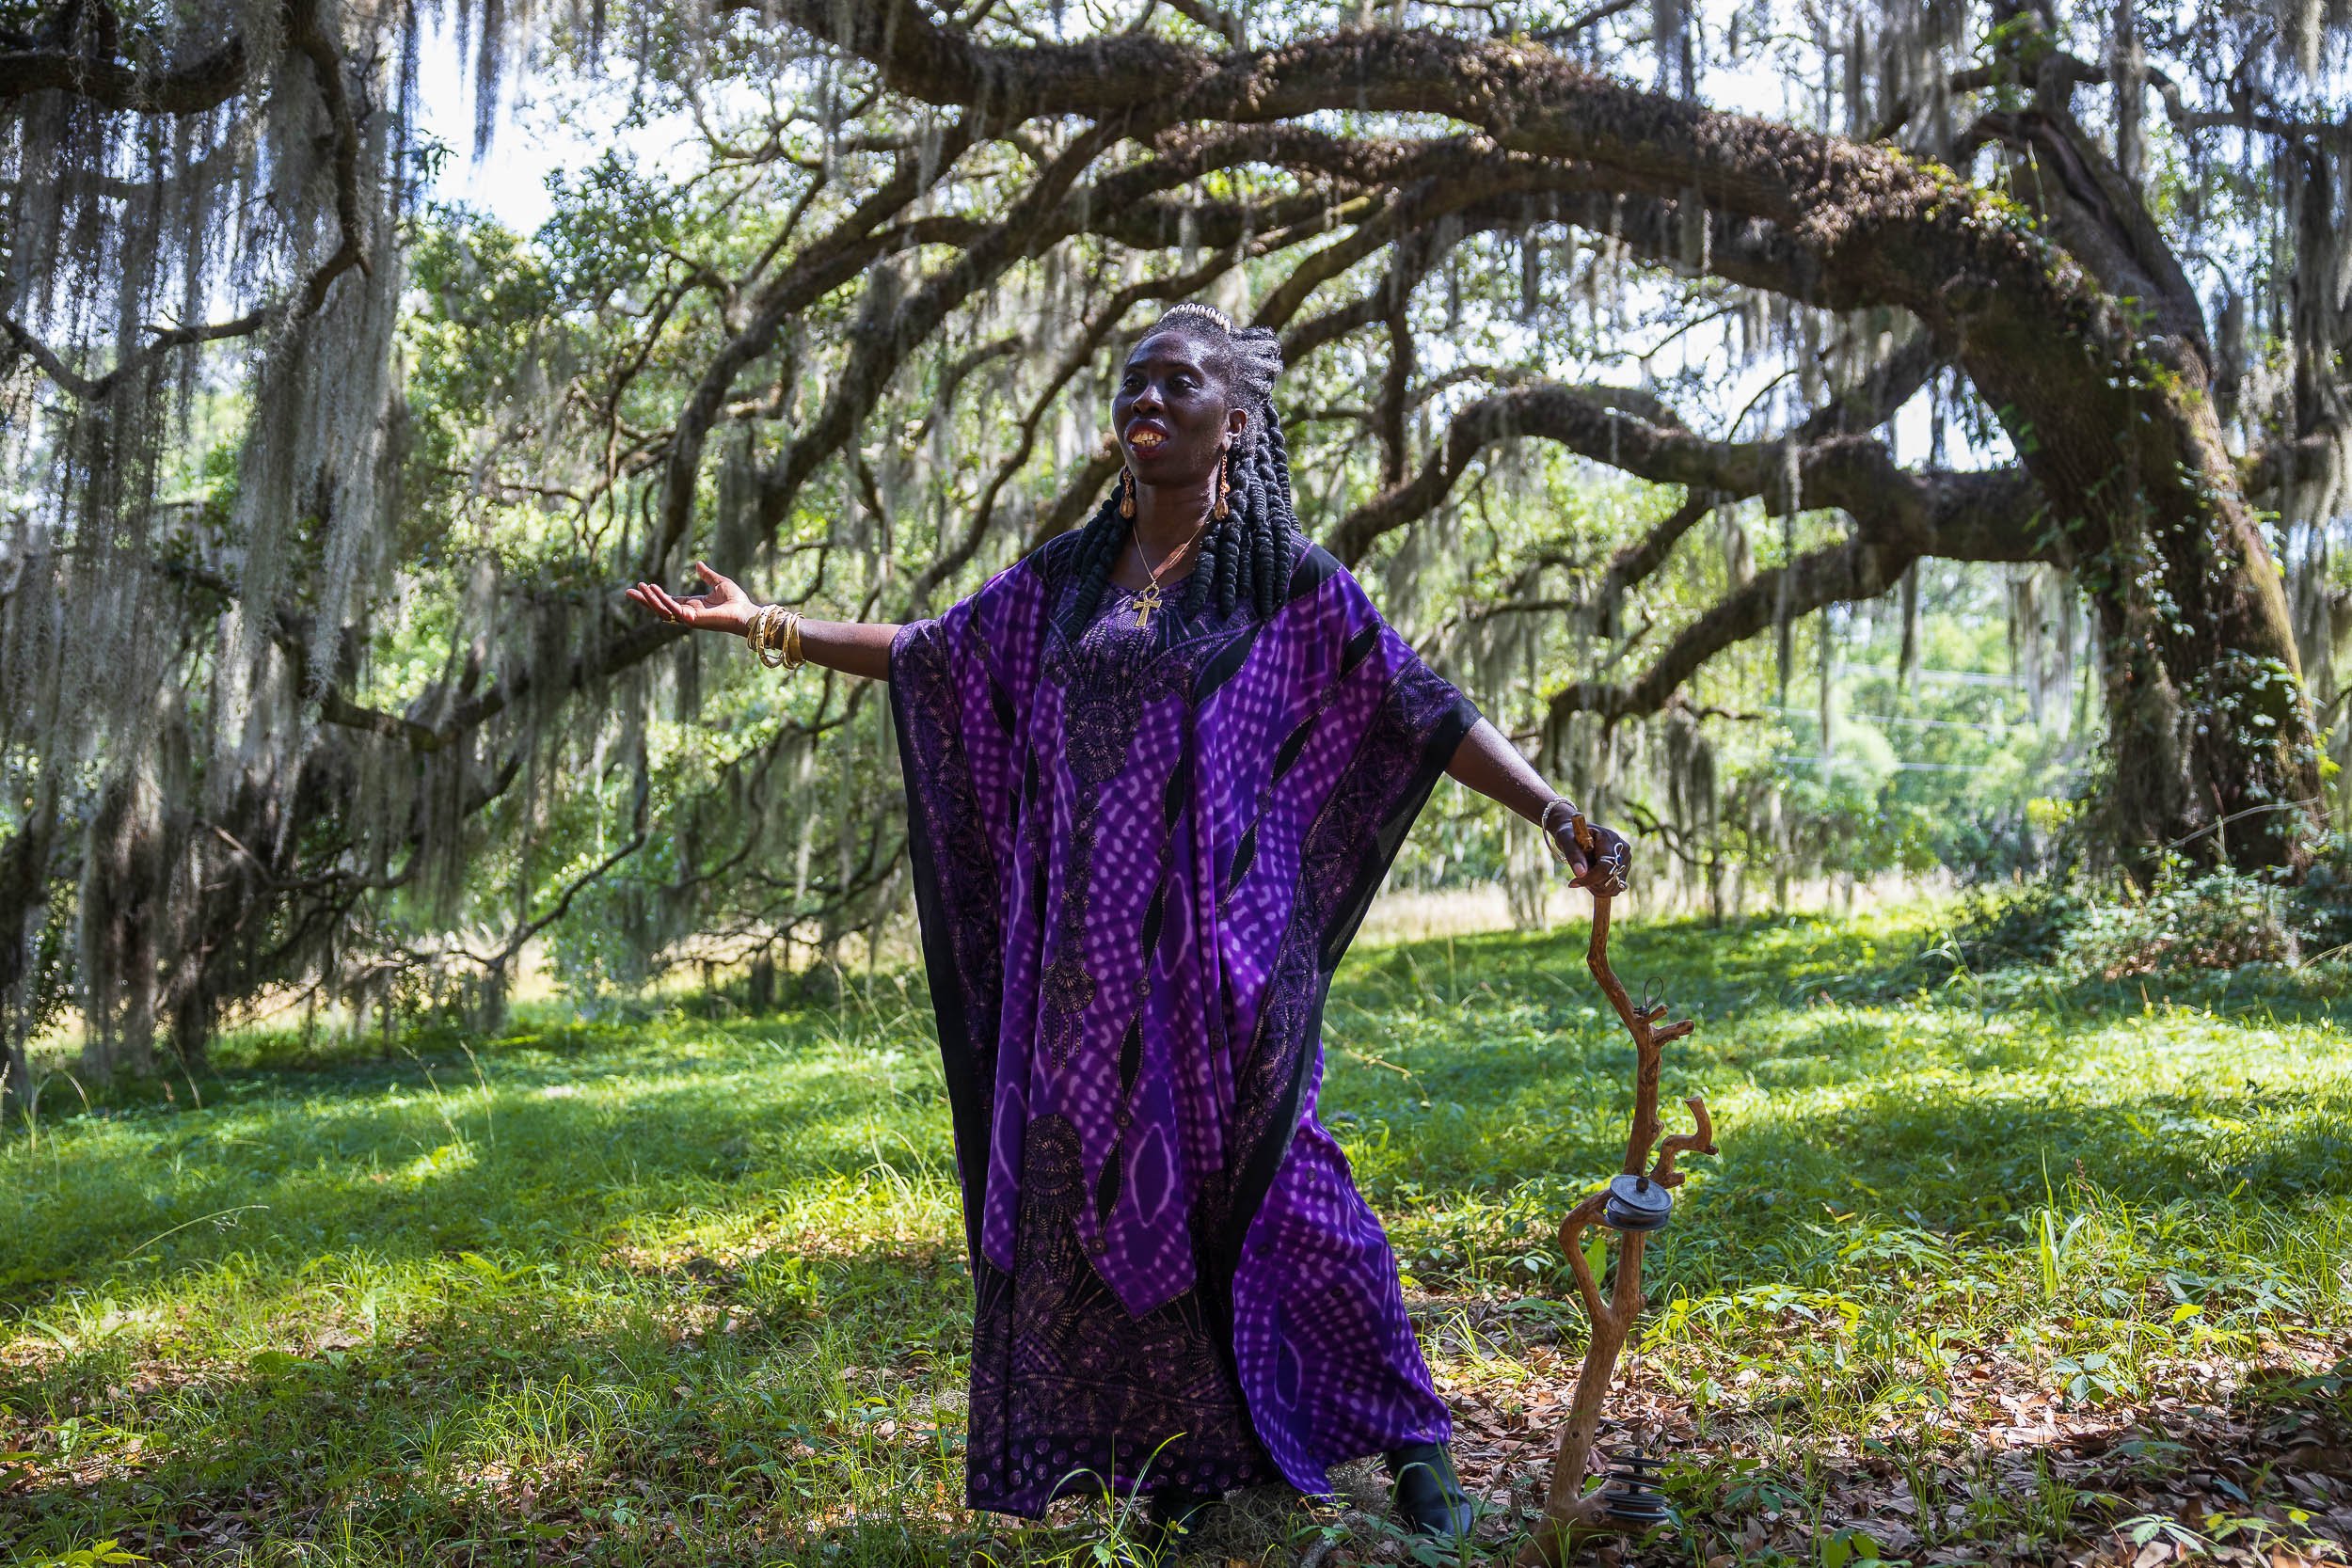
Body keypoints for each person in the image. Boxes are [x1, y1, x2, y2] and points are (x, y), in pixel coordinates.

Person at [628, 301, 1631, 1545]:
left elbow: (1421, 704)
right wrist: (769, 623)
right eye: (1130, 388)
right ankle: (1179, 1452)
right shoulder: (1060, 583)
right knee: (1102, 1208)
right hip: (1079, 980)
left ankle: (1415, 1443)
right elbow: (933, 655)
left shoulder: (1286, 589)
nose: (1144, 404)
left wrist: (1554, 811)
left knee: (1291, 1192)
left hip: (1227, 970)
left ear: (1236, 422)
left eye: (1175, 386)